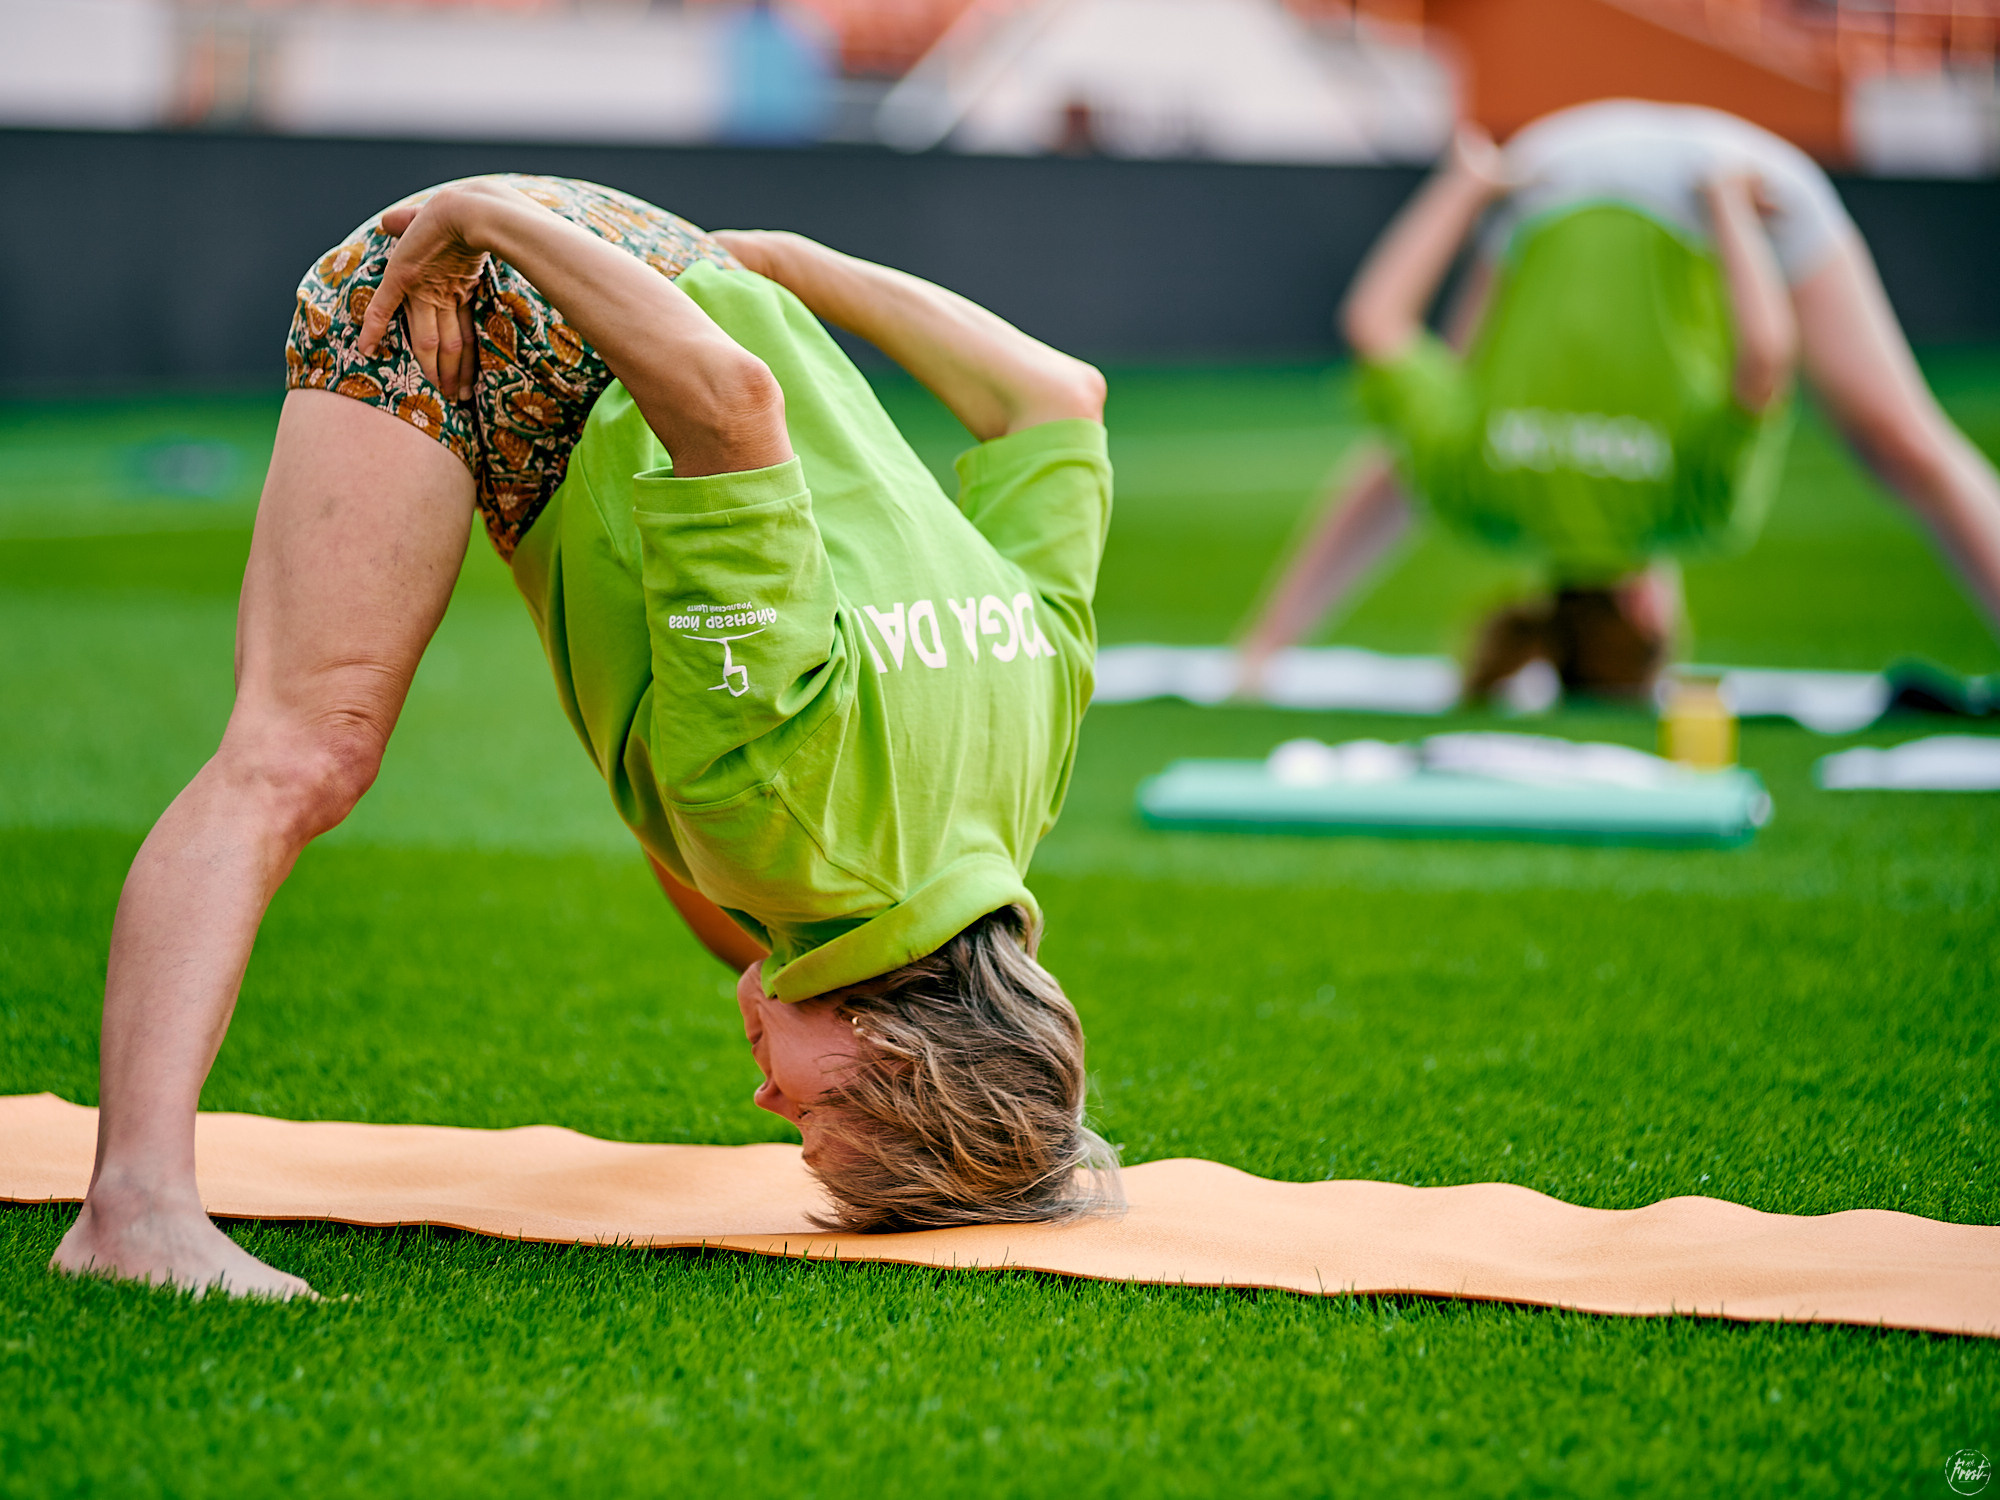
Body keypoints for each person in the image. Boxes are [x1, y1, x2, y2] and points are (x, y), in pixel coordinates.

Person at [51, 175, 1117, 1300]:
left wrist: (787, 265)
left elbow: (1057, 395)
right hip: (490, 289)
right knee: (301, 752)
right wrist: (479, 220)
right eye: (809, 1119)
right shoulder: (777, 815)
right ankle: (135, 1209)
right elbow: (728, 405)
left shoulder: (1025, 765)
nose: (765, 1104)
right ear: (888, 1051)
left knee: (744, 927)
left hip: (665, 263)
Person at [1238, 100, 2000, 701]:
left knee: (1902, 441)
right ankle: (1261, 649)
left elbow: (1766, 358)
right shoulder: (1481, 494)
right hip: (1549, 169)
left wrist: (1728, 209)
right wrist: (1466, 186)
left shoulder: (1699, 511)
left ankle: (1262, 651)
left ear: (1646, 612)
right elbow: (1374, 329)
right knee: (1421, 432)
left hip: (1722, 180)